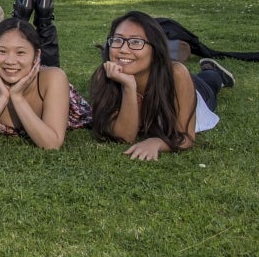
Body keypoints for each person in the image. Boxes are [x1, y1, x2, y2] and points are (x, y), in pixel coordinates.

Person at [88, 10, 234, 161]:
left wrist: (158, 142)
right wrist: (129, 87)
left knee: (210, 82)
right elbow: (125, 136)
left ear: (155, 48)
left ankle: (213, 70)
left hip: (192, 90)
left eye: (136, 42)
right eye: (118, 40)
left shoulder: (176, 74)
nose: (124, 49)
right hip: (160, 78)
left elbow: (185, 136)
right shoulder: (105, 74)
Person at [0, 18, 91, 149]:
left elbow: (51, 144)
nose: (10, 61)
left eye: (20, 53)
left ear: (36, 56)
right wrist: (2, 99)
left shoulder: (54, 78)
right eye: (2, 51)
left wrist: (17, 97)